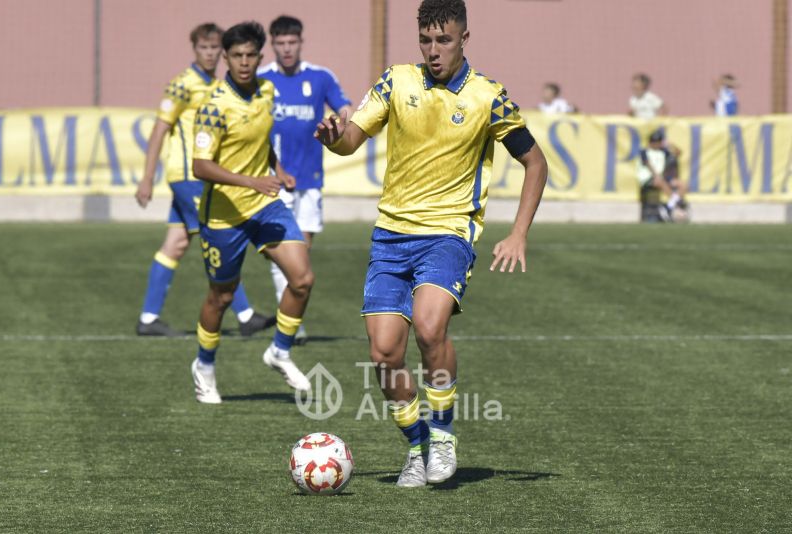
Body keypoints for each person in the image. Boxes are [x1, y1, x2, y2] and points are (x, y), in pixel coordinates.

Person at [314, 0, 548, 487]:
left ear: (465, 38)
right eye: (426, 40)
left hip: (448, 234)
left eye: (444, 40)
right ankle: (417, 446)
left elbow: (536, 162)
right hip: (390, 236)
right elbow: (351, 139)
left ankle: (442, 436)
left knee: (428, 326)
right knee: (383, 353)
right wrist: (333, 137)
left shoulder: (488, 96)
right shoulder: (396, 81)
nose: (434, 50)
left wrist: (519, 231)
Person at [190, 21, 314, 404]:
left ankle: (279, 351)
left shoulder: (267, 90)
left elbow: (261, 142)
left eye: (250, 55)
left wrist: (275, 169)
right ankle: (204, 366)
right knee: (221, 298)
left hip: (265, 206)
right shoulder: (213, 107)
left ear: (260, 57)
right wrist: (252, 181)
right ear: (226, 58)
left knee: (302, 278)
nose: (244, 62)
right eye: (237, 55)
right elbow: (200, 166)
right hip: (223, 216)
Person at [134, 22, 272, 337]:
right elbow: (159, 131)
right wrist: (146, 178)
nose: (209, 54)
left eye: (213, 49)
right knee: (219, 236)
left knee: (175, 244)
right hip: (188, 176)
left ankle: (147, 318)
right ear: (195, 50)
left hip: (195, 178)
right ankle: (246, 315)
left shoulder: (217, 84)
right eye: (203, 48)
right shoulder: (183, 85)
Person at [257, 15, 352, 345]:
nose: (286, 49)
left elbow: (346, 109)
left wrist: (342, 123)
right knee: (282, 251)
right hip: (273, 181)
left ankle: (291, 318)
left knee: (302, 254)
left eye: (291, 43)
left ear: (300, 42)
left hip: (310, 181)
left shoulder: (320, 77)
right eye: (280, 43)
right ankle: (292, 324)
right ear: (273, 45)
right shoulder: (260, 79)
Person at [636, 129, 688, 221]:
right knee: (659, 181)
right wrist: (656, 175)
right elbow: (648, 164)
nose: (658, 144)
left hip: (661, 178)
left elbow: (678, 153)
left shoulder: (663, 151)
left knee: (682, 185)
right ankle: (677, 203)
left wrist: (670, 144)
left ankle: (669, 206)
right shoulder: (644, 151)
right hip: (648, 179)